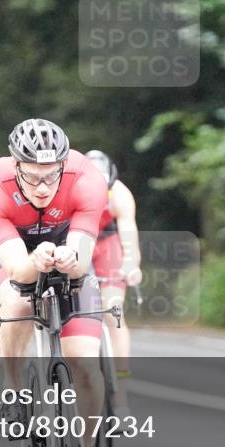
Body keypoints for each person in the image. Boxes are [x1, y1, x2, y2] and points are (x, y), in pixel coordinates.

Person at [0, 118, 109, 447]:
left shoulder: (86, 178)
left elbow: (81, 258)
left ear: (64, 165)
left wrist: (69, 257)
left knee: (85, 366)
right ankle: (14, 387)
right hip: (14, 249)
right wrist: (36, 260)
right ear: (15, 166)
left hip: (66, 244)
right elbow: (18, 270)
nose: (43, 187)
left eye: (51, 176)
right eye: (32, 177)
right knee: (16, 303)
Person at [85, 150, 142, 420]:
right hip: (79, 243)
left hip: (107, 245)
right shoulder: (70, 188)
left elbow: (128, 232)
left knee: (114, 313)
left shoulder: (119, 193)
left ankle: (120, 396)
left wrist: (131, 263)